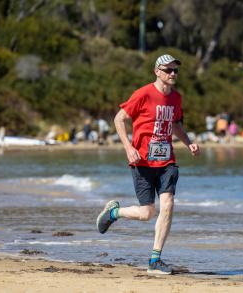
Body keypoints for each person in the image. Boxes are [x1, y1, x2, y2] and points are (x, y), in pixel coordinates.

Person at [96, 54, 200, 275]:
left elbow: (175, 125)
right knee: (146, 213)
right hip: (141, 160)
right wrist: (128, 147)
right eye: (168, 70)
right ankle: (114, 213)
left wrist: (189, 143)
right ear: (157, 72)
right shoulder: (143, 94)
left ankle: (155, 260)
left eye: (176, 71)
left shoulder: (177, 98)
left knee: (168, 203)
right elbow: (118, 118)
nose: (173, 74)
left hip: (166, 161)